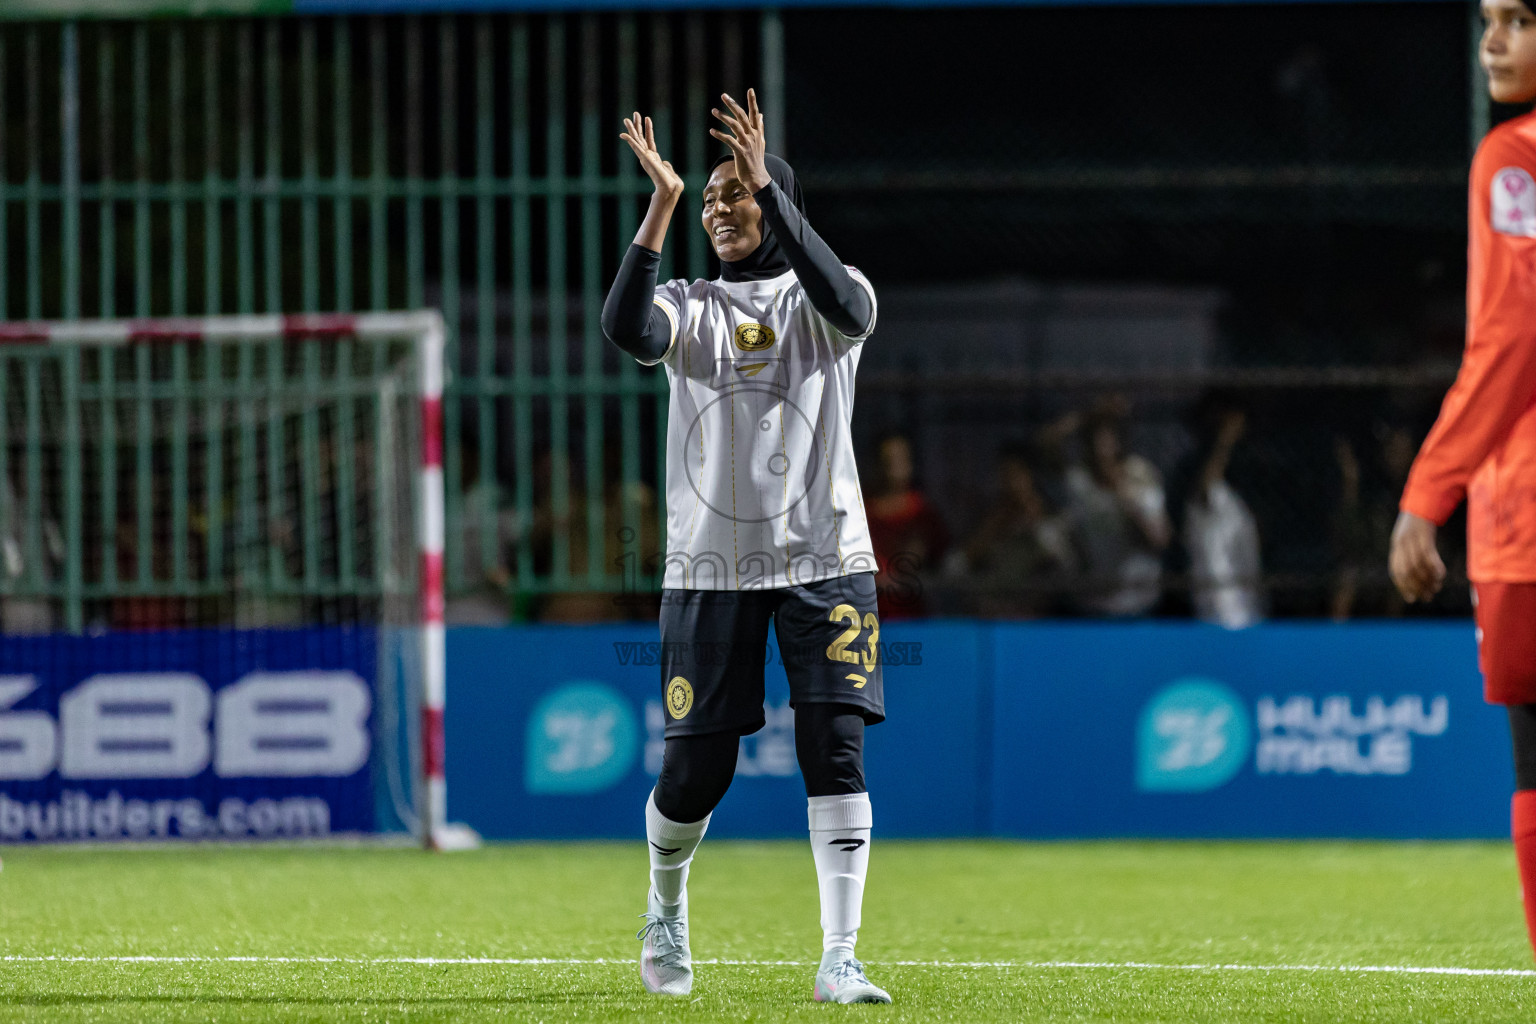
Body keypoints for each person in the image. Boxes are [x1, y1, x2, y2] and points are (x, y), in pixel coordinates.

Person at [600, 90, 890, 1003]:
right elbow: (625, 328)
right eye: (714, 198)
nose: (722, 207)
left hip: (828, 558)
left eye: (740, 193)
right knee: (697, 770)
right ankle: (666, 907)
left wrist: (771, 183)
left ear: (776, 200)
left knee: (833, 750)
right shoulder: (689, 306)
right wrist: (660, 208)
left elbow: (848, 306)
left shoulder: (833, 296)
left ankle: (839, 957)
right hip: (711, 568)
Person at [1389, 0, 1536, 963]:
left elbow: (1514, 333)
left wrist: (1426, 492)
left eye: (1521, 20)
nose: (1493, 40)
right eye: (1489, 19)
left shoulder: (1513, 158)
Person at [1063, 407, 1172, 617]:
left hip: (1138, 601)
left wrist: (1122, 494)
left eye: (1105, 440)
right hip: (1095, 601)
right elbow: (1046, 444)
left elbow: (1159, 539)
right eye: (1092, 440)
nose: (1099, 449)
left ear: (1118, 443)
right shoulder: (1078, 482)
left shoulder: (1139, 474)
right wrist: (1087, 412)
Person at [954, 443, 1074, 617]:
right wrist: (993, 529)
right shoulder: (992, 517)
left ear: (1030, 476)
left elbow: (1065, 569)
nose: (1010, 482)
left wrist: (1036, 526)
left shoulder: (1051, 517)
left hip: (1036, 618)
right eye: (1004, 474)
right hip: (993, 616)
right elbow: (957, 564)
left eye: (1015, 474)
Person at [865, 432, 948, 619]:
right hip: (866, 613)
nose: (893, 467)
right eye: (887, 460)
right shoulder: (861, 509)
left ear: (910, 463)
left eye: (900, 459)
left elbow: (931, 556)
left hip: (909, 614)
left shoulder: (922, 511)